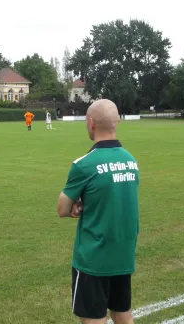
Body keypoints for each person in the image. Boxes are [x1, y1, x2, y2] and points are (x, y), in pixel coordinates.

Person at [57, 99, 139, 324]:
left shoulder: (84, 164)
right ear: (117, 122)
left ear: (91, 123)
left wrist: (78, 202)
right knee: (122, 313)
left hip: (94, 257)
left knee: (94, 319)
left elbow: (62, 209)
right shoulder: (130, 161)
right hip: (123, 252)